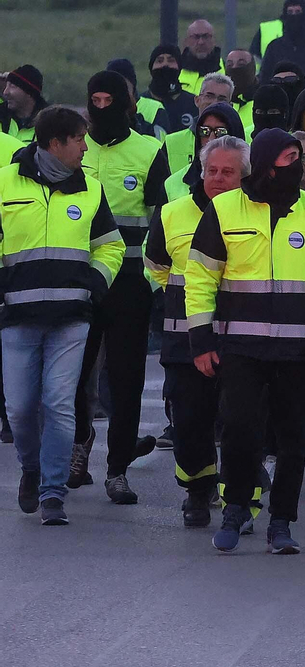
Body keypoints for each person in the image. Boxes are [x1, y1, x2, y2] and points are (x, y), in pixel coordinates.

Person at [185, 129, 305, 554]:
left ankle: (281, 521)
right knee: (240, 429)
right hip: (239, 347)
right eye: (284, 158)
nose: (292, 166)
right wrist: (201, 337)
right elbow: (201, 276)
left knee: (293, 438)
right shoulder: (224, 208)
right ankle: (236, 508)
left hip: (298, 347)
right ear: (262, 163)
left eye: (297, 157)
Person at [0, 106, 124, 526]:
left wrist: (95, 284)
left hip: (72, 317)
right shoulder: (3, 182)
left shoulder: (90, 188)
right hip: (17, 316)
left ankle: (53, 492)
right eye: (78, 139)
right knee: (18, 408)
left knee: (58, 404)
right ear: (55, 144)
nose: (85, 146)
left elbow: (112, 245)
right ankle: (31, 469)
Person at [145, 134, 246, 527]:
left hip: (239, 335)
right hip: (184, 338)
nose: (218, 178)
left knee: (239, 419)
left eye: (228, 172)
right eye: (211, 171)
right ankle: (198, 489)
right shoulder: (171, 213)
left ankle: (239, 496)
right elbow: (155, 267)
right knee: (189, 420)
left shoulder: (256, 213)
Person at [77, 71, 165, 503]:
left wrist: (150, 278)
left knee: (126, 377)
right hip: (82, 280)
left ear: (128, 103)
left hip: (130, 284)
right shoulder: (73, 146)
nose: (101, 107)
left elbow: (160, 218)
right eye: (95, 99)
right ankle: (77, 450)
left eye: (109, 99)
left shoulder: (150, 151)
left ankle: (117, 470)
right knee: (74, 374)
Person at [1, 64, 45, 143]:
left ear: (29, 92)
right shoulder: (2, 115)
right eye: (6, 86)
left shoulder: (49, 126)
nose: (5, 92)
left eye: (12, 86)